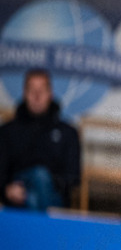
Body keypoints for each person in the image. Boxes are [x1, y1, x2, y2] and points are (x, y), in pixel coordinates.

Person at [0, 68, 80, 211]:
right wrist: (7, 189)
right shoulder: (7, 131)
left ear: (50, 93)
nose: (37, 96)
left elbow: (73, 177)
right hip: (16, 197)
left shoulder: (68, 133)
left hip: (54, 198)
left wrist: (47, 183)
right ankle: (46, 231)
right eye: (32, 90)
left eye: (41, 90)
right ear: (24, 93)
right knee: (33, 193)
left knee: (38, 181)